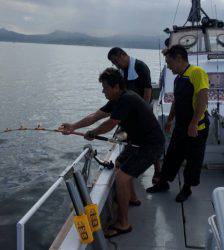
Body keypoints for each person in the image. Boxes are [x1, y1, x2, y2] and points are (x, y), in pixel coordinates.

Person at [60, 68, 165, 237]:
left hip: (151, 145)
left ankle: (124, 224)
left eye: (105, 88)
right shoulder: (117, 99)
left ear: (116, 87)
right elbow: (96, 115)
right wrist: (73, 126)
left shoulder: (127, 99)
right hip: (138, 143)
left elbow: (110, 123)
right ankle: (132, 198)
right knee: (119, 163)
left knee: (122, 178)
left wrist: (93, 133)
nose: (103, 91)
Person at [146, 45, 210, 203]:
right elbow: (177, 100)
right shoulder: (178, 78)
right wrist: (170, 119)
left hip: (197, 127)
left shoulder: (196, 73)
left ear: (179, 59)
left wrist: (194, 123)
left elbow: (203, 98)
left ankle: (187, 188)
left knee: (193, 160)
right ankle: (163, 183)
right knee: (172, 155)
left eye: (169, 62)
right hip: (181, 125)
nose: (168, 66)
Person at [107, 47, 161, 184]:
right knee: (128, 138)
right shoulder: (122, 71)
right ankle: (131, 165)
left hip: (142, 110)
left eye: (115, 61)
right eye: (113, 63)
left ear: (123, 55)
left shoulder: (140, 67)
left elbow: (148, 89)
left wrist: (145, 109)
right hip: (128, 110)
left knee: (149, 140)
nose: (115, 64)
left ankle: (158, 170)